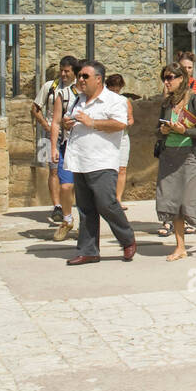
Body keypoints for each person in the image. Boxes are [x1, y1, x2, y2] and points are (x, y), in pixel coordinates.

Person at [61, 60, 137, 266]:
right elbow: (68, 122)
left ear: (98, 79)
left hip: (102, 161)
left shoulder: (114, 100)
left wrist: (92, 123)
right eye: (79, 76)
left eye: (85, 76)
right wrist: (65, 124)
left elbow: (120, 124)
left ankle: (127, 239)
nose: (80, 79)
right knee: (85, 209)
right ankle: (88, 251)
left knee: (106, 203)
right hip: (79, 160)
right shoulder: (78, 101)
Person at [156, 63, 196, 261]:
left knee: (189, 199)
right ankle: (180, 247)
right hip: (169, 155)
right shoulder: (167, 104)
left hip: (190, 155)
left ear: (182, 79)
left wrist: (184, 131)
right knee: (173, 202)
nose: (167, 81)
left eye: (170, 77)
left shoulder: (194, 100)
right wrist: (162, 131)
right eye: (165, 78)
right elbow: (157, 129)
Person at [32, 55, 80, 230]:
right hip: (51, 134)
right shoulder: (50, 87)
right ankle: (57, 206)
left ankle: (68, 204)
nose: (63, 74)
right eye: (61, 70)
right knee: (53, 169)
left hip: (72, 135)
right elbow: (35, 108)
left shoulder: (79, 89)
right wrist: (47, 125)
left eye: (67, 71)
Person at [176, 50, 196, 235]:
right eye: (184, 67)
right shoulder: (170, 84)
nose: (187, 71)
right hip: (175, 140)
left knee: (193, 184)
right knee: (175, 185)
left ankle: (194, 221)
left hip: (193, 138)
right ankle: (173, 222)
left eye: (190, 67)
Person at [105, 73, 135, 209]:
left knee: (122, 168)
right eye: (112, 89)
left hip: (122, 137)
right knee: (107, 168)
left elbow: (130, 119)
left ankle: (117, 199)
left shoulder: (124, 101)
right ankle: (106, 198)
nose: (115, 92)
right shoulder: (103, 100)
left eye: (117, 89)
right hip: (107, 138)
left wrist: (126, 122)